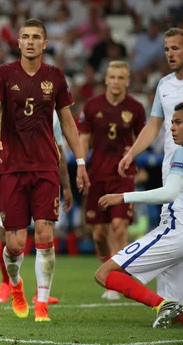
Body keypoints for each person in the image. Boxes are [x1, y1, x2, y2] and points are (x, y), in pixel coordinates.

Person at [0, 18, 90, 322]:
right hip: (11, 166)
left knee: (45, 236)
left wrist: (80, 161)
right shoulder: (3, 74)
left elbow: (68, 123)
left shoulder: (55, 76)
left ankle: (42, 303)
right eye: (25, 37)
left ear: (45, 44)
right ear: (17, 42)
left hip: (45, 165)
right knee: (15, 245)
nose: (30, 41)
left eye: (36, 37)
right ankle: (15, 286)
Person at [97, 102, 183, 328]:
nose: (172, 128)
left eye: (178, 122)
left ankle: (161, 304)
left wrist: (122, 197)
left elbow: (170, 192)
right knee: (178, 317)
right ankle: (170, 307)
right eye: (171, 122)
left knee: (105, 274)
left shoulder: (181, 151)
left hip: (175, 232)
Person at [118, 28, 183, 307]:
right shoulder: (164, 85)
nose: (170, 54)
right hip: (173, 168)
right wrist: (131, 154)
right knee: (170, 228)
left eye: (176, 48)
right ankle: (172, 303)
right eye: (167, 49)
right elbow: (154, 124)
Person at [79, 60, 146, 301]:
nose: (116, 81)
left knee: (119, 227)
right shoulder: (92, 105)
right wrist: (81, 166)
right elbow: (83, 138)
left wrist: (134, 161)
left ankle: (113, 281)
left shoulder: (136, 108)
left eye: (121, 77)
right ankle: (106, 262)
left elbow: (143, 138)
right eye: (112, 77)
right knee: (98, 233)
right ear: (106, 79)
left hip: (123, 177)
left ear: (127, 81)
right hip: (97, 175)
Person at [0, 110, 73, 304]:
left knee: (44, 234)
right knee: (8, 238)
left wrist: (67, 186)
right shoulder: (8, 108)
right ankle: (7, 284)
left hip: (42, 178)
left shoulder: (52, 114)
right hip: (14, 178)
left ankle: (41, 295)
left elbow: (59, 151)